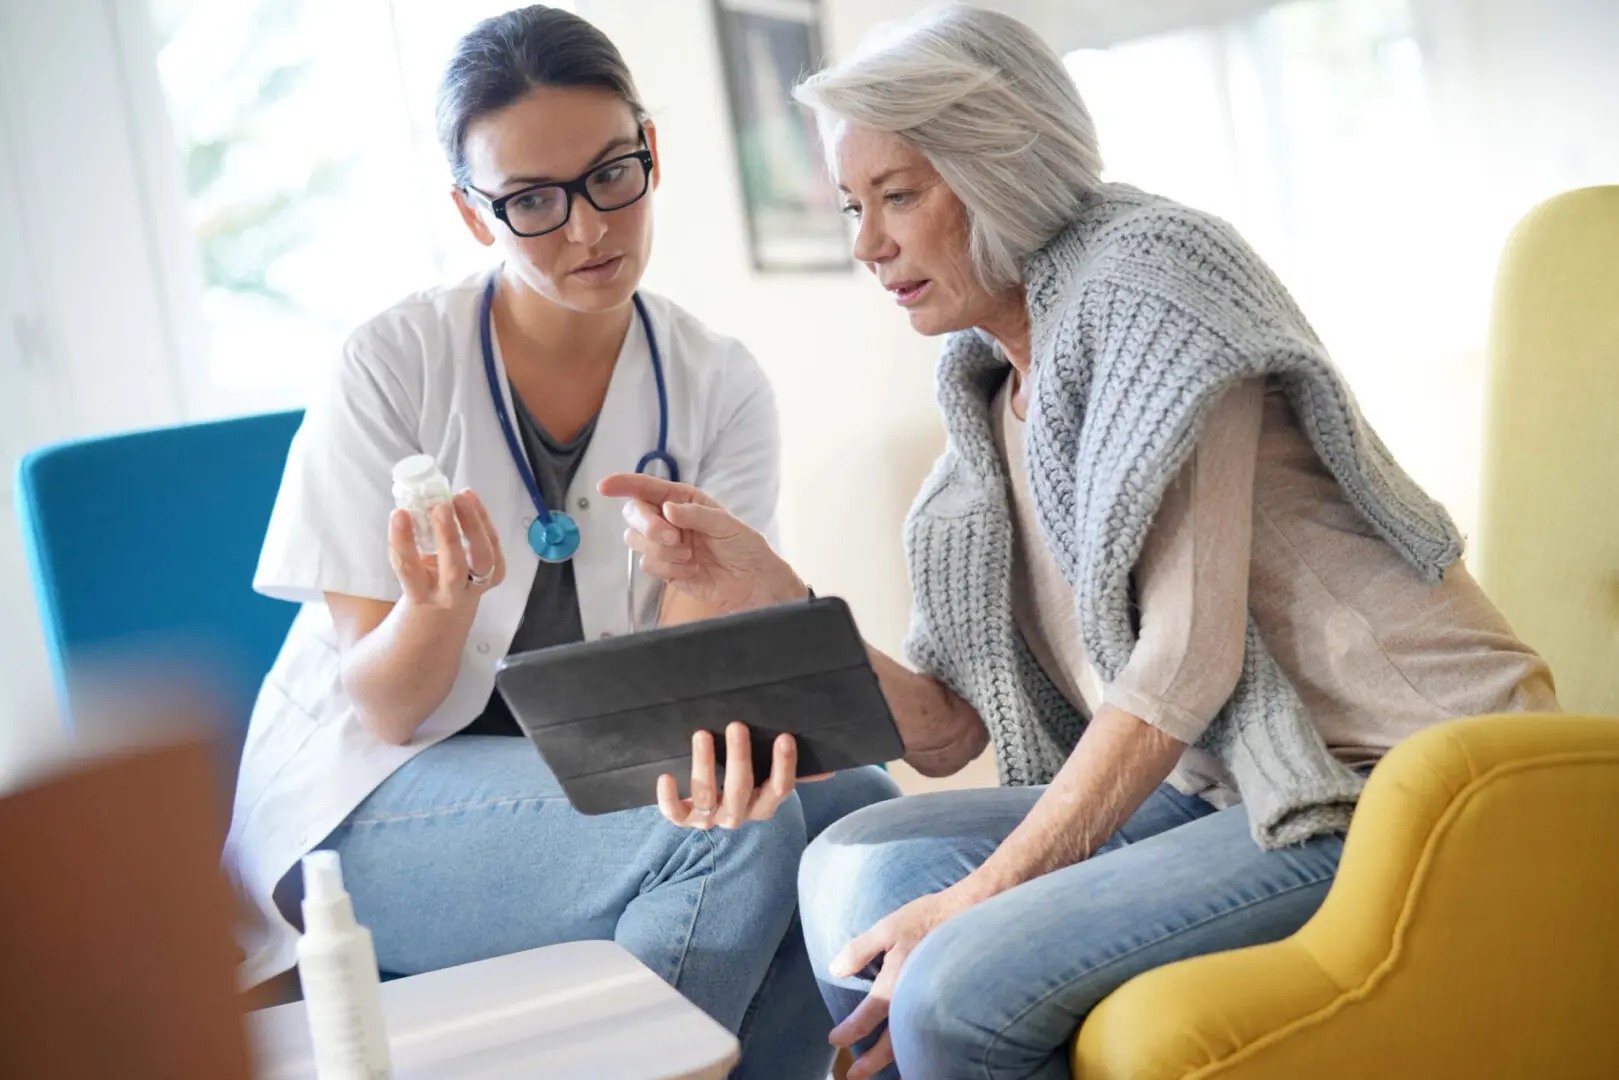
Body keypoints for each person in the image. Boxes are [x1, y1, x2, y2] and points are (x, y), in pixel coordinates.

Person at [605, 6, 1560, 1078]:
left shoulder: (1150, 278)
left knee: (956, 989)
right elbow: (946, 733)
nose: (866, 245)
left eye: (898, 196)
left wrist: (973, 902)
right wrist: (775, 596)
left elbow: (1184, 659)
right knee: (848, 866)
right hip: (1227, 784)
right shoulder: (984, 394)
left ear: (997, 166)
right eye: (849, 207)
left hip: (1398, 773)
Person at [222, 8, 897, 1079]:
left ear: (651, 151)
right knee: (725, 838)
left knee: (862, 816)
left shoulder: (715, 385)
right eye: (530, 201)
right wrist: (439, 606)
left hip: (582, 771)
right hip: (367, 805)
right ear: (470, 210)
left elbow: (682, 701)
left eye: (608, 175)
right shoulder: (393, 366)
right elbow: (388, 709)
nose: (585, 228)